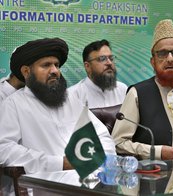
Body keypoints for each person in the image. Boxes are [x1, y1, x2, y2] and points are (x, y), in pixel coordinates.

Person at [0, 38, 116, 174]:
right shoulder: (13, 105)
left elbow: (101, 134)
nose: (55, 71)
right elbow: (4, 149)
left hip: (89, 179)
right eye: (46, 65)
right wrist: (60, 163)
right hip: (44, 184)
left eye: (57, 65)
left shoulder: (70, 100)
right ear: (26, 72)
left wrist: (104, 158)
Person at [112, 19, 173, 160]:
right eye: (162, 54)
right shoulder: (138, 93)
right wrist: (157, 152)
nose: (170, 59)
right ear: (153, 62)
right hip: (153, 175)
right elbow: (118, 143)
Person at [68, 39, 127, 132]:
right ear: (87, 66)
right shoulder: (73, 95)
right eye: (102, 59)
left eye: (111, 58)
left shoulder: (123, 89)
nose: (109, 63)